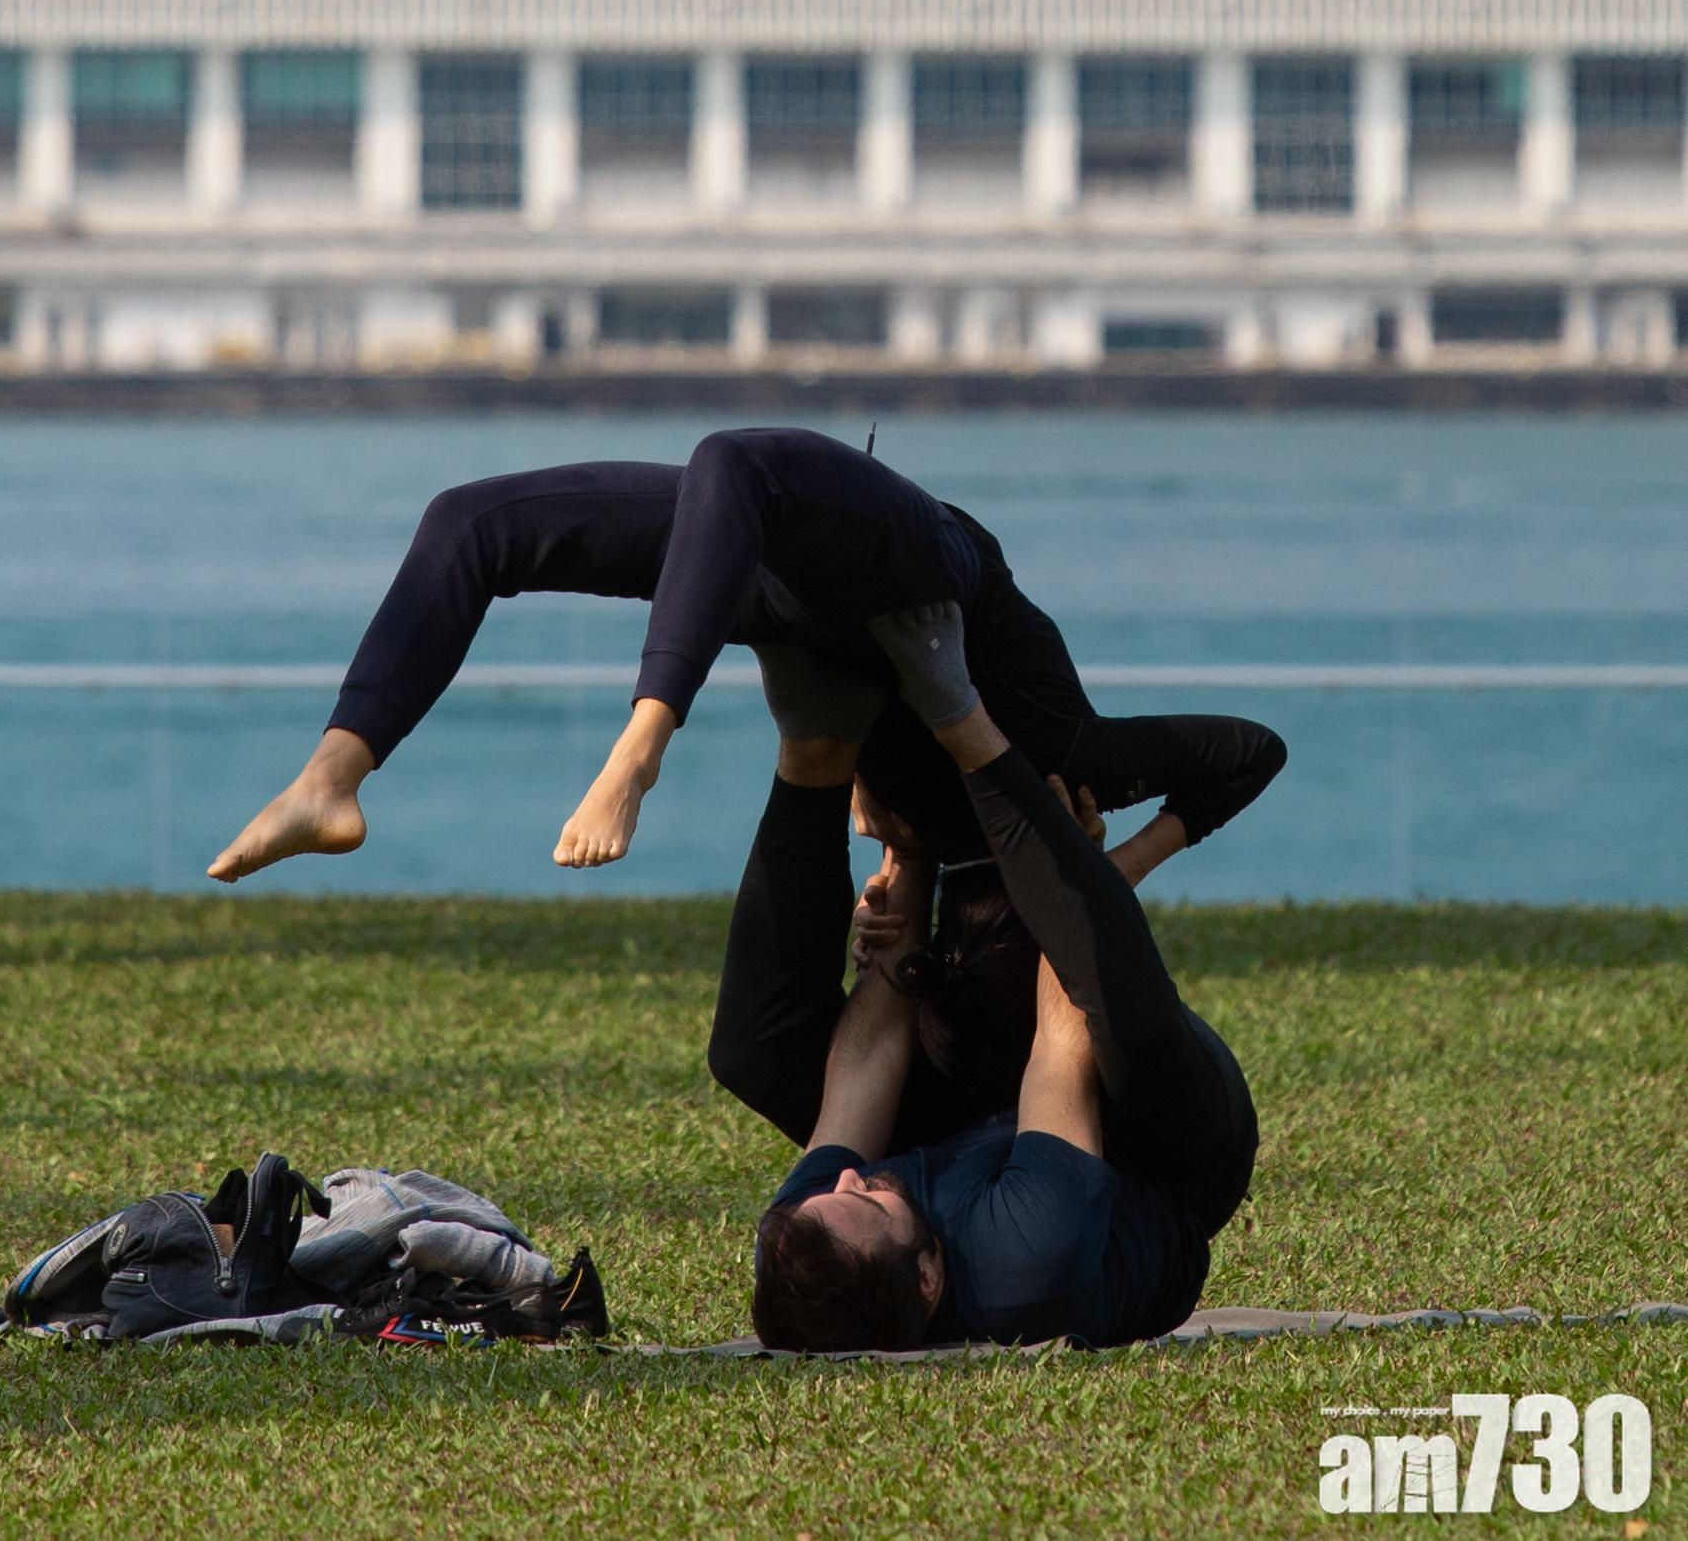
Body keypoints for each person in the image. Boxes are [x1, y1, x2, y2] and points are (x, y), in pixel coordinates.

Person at [206, 429, 1284, 882]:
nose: (875, 859)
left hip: (800, 607)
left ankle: (637, 743)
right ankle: (329, 781)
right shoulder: (1069, 758)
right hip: (929, 573)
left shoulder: (945, 862)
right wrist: (1118, 863)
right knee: (472, 520)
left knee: (727, 469)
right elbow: (1248, 750)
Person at [737, 607, 1260, 1352]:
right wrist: (1080, 877)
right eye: (870, 1203)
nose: (849, 1180)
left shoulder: (809, 1238)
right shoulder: (1025, 1261)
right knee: (1117, 1012)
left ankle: (827, 722)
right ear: (928, 1278)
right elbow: (1063, 1036)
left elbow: (860, 1072)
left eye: (835, 1190)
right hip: (1163, 1154)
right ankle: (963, 712)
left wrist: (908, 861)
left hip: (981, 1135)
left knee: (758, 1049)